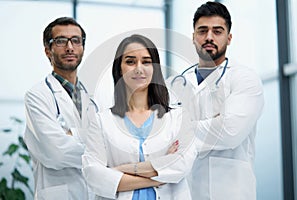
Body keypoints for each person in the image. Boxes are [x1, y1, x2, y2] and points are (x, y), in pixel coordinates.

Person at [82, 34, 197, 200]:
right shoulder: (102, 121)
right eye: (130, 61)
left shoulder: (178, 118)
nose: (138, 68)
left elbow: (181, 165)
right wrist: (160, 175)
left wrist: (119, 171)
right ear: (119, 69)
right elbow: (93, 174)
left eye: (146, 61)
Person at [169, 2, 264, 200]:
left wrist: (178, 130)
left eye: (217, 31)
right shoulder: (175, 85)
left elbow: (229, 132)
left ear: (229, 38)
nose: (209, 37)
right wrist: (215, 122)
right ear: (193, 37)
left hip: (230, 192)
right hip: (183, 191)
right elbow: (157, 133)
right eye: (202, 31)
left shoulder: (244, 78)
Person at [24, 17, 98, 200]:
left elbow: (111, 142)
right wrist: (98, 146)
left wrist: (73, 135)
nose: (70, 47)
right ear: (48, 51)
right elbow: (57, 152)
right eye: (60, 41)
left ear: (82, 47)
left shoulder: (93, 98)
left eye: (76, 40)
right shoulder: (37, 96)